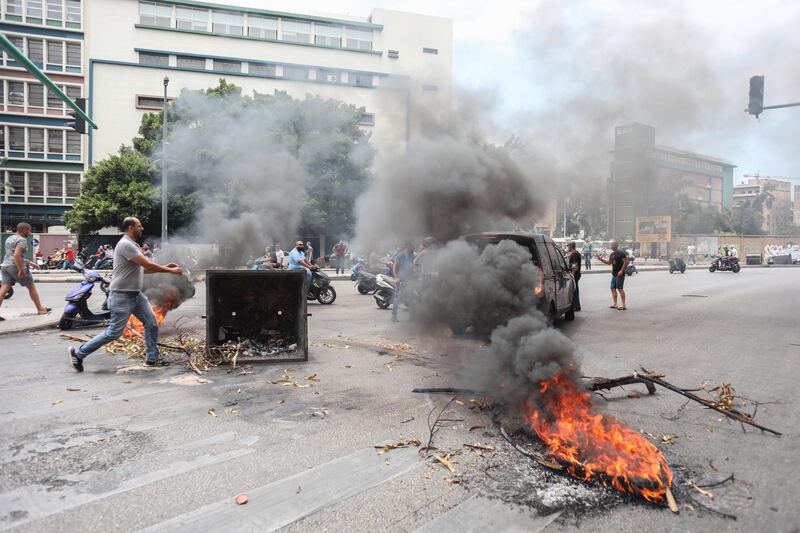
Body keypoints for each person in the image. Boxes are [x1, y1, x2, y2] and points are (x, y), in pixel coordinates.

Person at [68, 217, 183, 372]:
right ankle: (79, 353)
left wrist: (164, 267)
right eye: (139, 226)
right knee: (114, 332)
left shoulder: (132, 245)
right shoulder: (125, 245)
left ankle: (152, 358)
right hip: (121, 295)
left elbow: (143, 269)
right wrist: (171, 271)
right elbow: (147, 264)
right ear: (130, 228)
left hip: (136, 295)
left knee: (151, 323)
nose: (141, 228)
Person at [0, 222, 51, 320]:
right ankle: (40, 309)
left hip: (5, 266)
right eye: (29, 230)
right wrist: (21, 270)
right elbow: (16, 255)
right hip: (15, 267)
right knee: (31, 286)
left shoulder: (9, 238)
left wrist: (31, 263)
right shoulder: (22, 240)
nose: (30, 232)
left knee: (3, 291)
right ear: (24, 229)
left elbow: (12, 255)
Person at [596, 240, 628, 310]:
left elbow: (626, 262)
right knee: (612, 288)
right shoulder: (612, 254)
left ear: (616, 245)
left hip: (619, 274)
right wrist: (601, 259)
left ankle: (623, 304)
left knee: (620, 288)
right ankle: (615, 304)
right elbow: (609, 263)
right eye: (611, 245)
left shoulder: (621, 253)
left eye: (612, 245)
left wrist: (622, 271)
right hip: (614, 274)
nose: (611, 246)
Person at [391, 242, 415, 323]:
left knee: (411, 298)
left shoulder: (412, 255)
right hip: (400, 279)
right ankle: (394, 316)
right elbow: (394, 266)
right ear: (407, 246)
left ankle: (412, 317)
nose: (413, 248)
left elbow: (413, 266)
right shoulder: (401, 255)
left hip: (409, 279)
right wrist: (396, 277)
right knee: (397, 298)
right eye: (412, 246)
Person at [567, 242, 582, 312]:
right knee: (575, 289)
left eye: (568, 246)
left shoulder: (574, 253)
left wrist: (572, 276)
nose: (567, 247)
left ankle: (576, 306)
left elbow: (575, 265)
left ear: (571, 246)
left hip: (575, 274)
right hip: (576, 274)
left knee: (574, 290)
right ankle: (576, 305)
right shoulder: (575, 253)